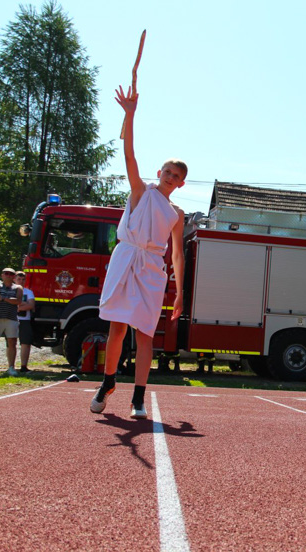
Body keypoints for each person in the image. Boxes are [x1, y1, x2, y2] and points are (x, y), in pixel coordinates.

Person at [89, 84, 186, 419]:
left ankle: (139, 398)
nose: (170, 178)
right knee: (116, 328)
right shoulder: (139, 192)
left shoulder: (177, 214)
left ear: (180, 183)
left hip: (151, 271)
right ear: (160, 172)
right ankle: (108, 382)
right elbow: (129, 156)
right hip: (126, 258)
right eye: (167, 172)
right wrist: (130, 116)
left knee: (145, 335)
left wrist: (180, 294)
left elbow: (177, 255)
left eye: (176, 177)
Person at [0, 267, 23, 375]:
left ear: (14, 276)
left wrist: (3, 298)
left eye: (11, 274)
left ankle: (11, 367)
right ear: (2, 275)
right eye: (6, 273)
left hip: (11, 318)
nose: (8, 275)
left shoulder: (18, 288)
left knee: (12, 342)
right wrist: (9, 299)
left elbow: (18, 301)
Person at [15, 271, 35, 373]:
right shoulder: (10, 291)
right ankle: (11, 366)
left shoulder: (28, 292)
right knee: (10, 343)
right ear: (14, 279)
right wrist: (23, 304)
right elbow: (8, 304)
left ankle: (23, 366)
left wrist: (18, 306)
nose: (21, 281)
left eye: (23, 280)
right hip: (12, 319)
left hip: (25, 320)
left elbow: (31, 305)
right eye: (19, 279)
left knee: (26, 343)